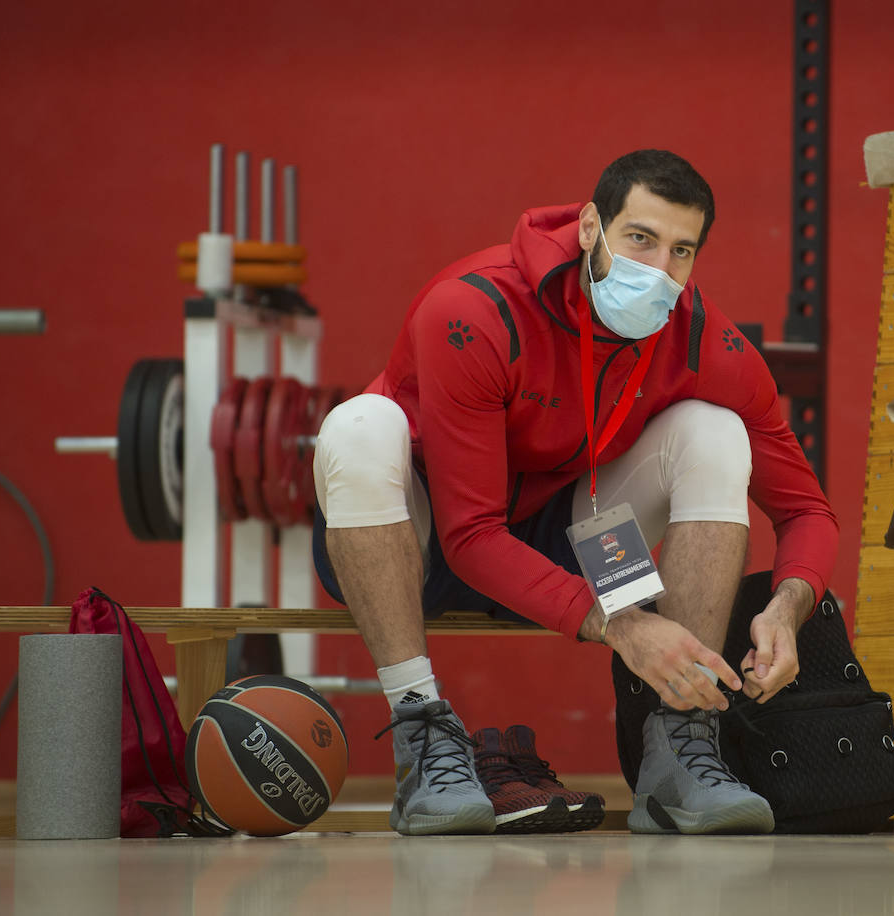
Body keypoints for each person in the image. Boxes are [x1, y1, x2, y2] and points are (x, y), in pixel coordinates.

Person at [311, 149, 839, 836]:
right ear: (591, 226)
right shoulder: (475, 307)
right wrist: (622, 623)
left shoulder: (703, 344)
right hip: (414, 541)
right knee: (358, 427)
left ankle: (683, 739)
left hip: (566, 542)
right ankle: (420, 730)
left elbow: (806, 509)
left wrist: (788, 605)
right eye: (640, 238)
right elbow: (469, 535)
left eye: (682, 251)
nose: (658, 270)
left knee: (713, 432)